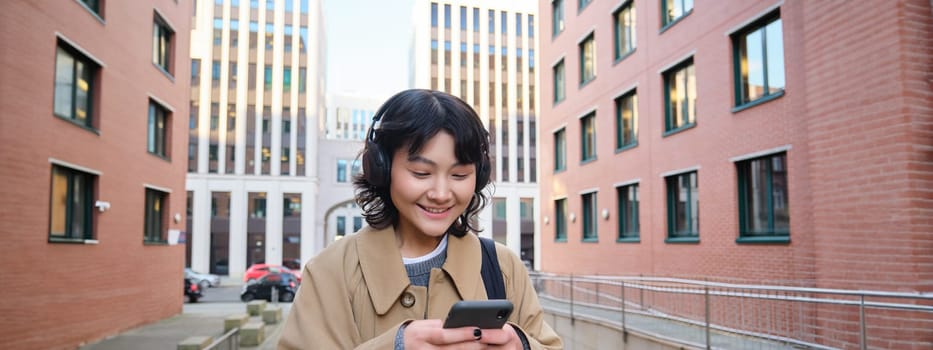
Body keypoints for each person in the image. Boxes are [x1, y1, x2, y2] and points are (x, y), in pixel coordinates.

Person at [279, 89, 562, 349]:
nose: (441, 194)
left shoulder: (502, 266)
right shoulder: (331, 270)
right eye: (421, 174)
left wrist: (522, 345)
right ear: (382, 168)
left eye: (459, 175)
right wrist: (395, 345)